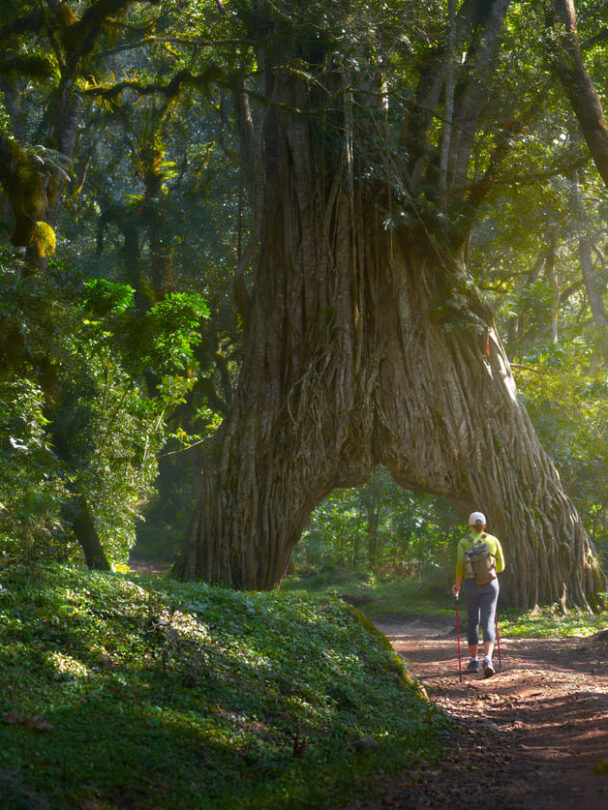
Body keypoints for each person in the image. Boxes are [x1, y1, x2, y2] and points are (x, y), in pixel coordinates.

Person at [452, 511, 505, 677]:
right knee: (488, 620)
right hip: (490, 584)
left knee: (473, 621)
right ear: (484, 525)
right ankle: (488, 659)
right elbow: (501, 566)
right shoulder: (493, 540)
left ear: (470, 525)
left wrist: (457, 586)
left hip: (470, 584)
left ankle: (474, 660)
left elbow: (460, 565)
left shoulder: (463, 542)